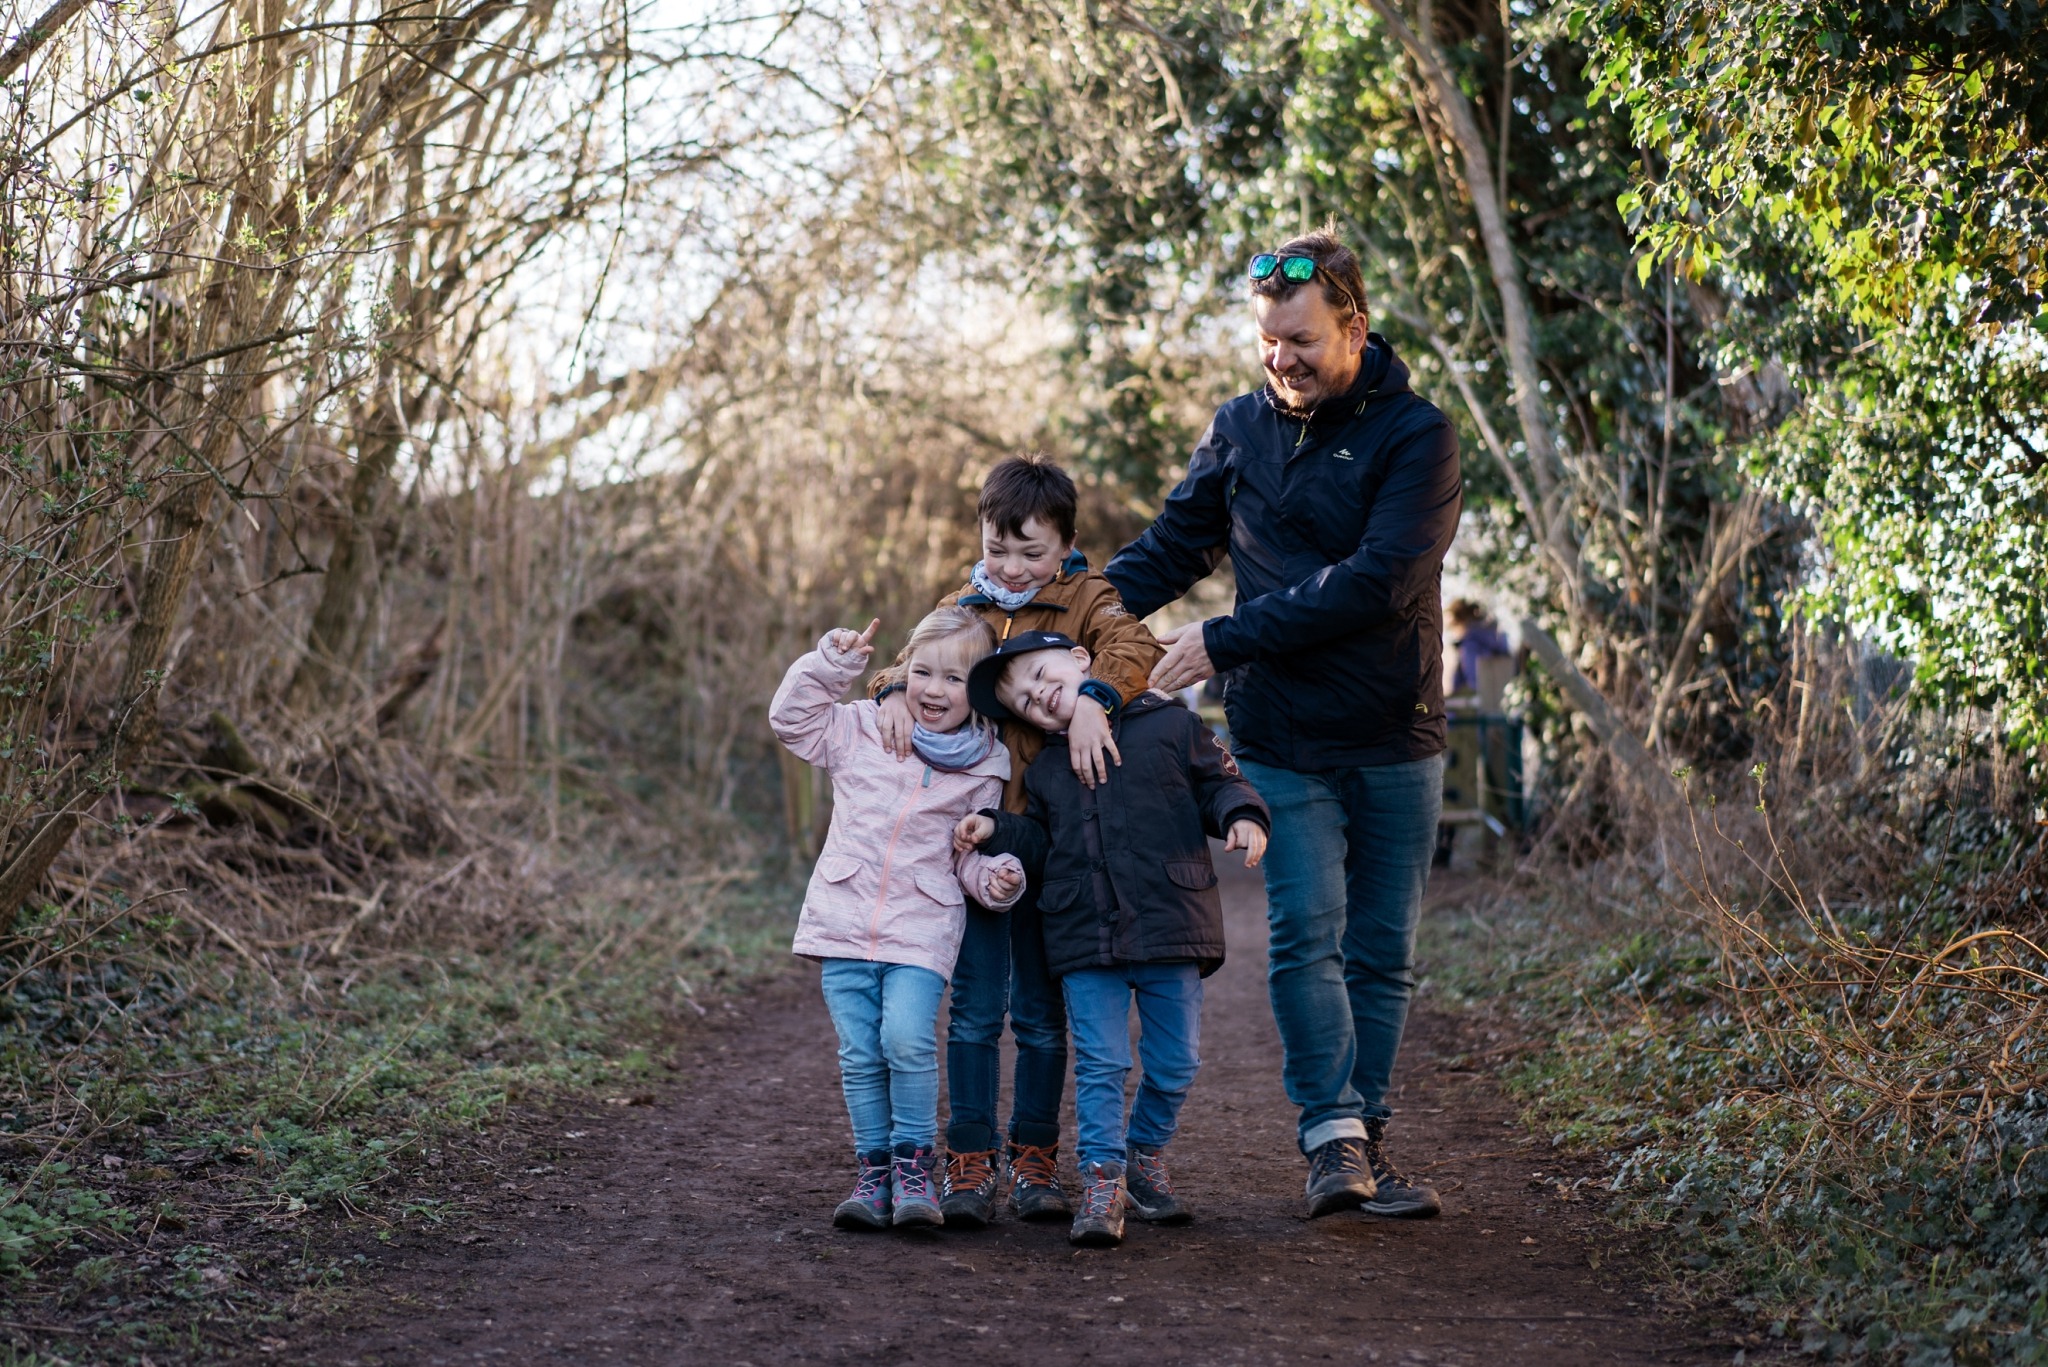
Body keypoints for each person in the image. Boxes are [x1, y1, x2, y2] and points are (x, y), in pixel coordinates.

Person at [1105, 228, 1463, 1220]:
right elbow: (1170, 546)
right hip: (1279, 734)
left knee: (1381, 948)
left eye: (1299, 340)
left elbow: (1376, 581)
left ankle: (1367, 1133)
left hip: (1394, 730)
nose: (1280, 359)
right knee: (1304, 928)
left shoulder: (1416, 435)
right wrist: (1060, 613)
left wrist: (1226, 636)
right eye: (1266, 341)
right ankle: (1330, 1139)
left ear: (1353, 326)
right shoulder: (1237, 428)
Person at [868, 454, 1163, 1227]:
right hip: (967, 836)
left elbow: (1136, 647)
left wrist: (1097, 697)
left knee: (1039, 1009)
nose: (1013, 566)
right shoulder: (964, 604)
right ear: (981, 538)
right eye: (999, 549)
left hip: (1053, 838)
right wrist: (895, 690)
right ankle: (967, 1156)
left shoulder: (1087, 597)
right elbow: (914, 661)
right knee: (971, 1009)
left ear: (1065, 543)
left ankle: (1034, 1156)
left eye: (1032, 551)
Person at [958, 630, 1269, 1247]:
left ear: (1081, 660)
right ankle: (1103, 1178)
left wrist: (1242, 815)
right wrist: (996, 826)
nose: (1038, 697)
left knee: (1177, 1061)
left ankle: (1145, 1151)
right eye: (1022, 700)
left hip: (1171, 924)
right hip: (1083, 936)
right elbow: (1043, 843)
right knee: (1102, 1062)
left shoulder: (1171, 726)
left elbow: (1220, 781)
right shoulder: (1046, 768)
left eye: (1042, 676)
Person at [768, 610, 1026, 1232]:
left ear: (982, 688)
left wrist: (995, 878)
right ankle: (873, 1172)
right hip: (844, 917)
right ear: (904, 669)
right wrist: (831, 665)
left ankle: (914, 1167)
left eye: (955, 678)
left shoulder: (986, 765)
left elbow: (967, 858)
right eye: (924, 672)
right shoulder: (860, 727)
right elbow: (791, 721)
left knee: (905, 1040)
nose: (934, 690)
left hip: (921, 928)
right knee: (860, 1053)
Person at [1447, 598, 1511, 695]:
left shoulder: (1469, 645)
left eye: (1453, 627)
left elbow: (1475, 680)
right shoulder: (1494, 635)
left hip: (1485, 699)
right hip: (1505, 691)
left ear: (1461, 622)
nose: (1454, 633)